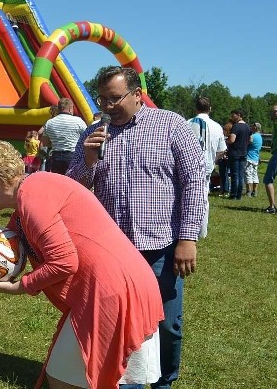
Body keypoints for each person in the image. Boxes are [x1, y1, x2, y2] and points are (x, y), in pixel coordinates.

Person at [0, 140, 164, 389]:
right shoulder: (29, 198)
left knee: (86, 380)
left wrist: (21, 286)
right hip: (117, 287)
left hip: (112, 293)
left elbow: (64, 262)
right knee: (64, 377)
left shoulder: (33, 197)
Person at [67, 66, 206, 389]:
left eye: (115, 98)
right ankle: (125, 381)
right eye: (102, 99)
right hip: (113, 250)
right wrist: (87, 161)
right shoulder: (92, 134)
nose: (107, 106)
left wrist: (187, 237)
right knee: (119, 323)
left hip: (162, 245)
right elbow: (72, 189)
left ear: (137, 95)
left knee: (167, 324)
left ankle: (164, 381)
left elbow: (193, 182)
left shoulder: (171, 125)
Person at [186, 97, 226, 238]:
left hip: (187, 165)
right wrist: (212, 160)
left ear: (195, 108)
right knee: (203, 198)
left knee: (185, 197)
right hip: (206, 167)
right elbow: (222, 150)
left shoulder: (187, 123)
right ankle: (201, 231)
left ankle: (186, 229)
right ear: (210, 109)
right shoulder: (217, 126)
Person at [39, 97, 87, 174]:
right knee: (72, 181)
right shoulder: (78, 121)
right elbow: (86, 139)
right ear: (70, 108)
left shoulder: (50, 123)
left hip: (56, 158)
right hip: (73, 156)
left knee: (59, 183)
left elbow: (45, 143)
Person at [263, 104, 277, 214]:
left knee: (268, 179)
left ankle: (272, 206)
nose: (273, 113)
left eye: (275, 111)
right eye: (272, 111)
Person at [226, 109, 250, 200]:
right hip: (243, 152)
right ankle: (239, 195)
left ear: (239, 115)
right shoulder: (247, 126)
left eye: (233, 115)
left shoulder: (236, 126)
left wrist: (225, 141)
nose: (231, 117)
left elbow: (232, 140)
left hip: (235, 152)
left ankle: (233, 195)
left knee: (234, 175)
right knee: (241, 175)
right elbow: (251, 139)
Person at [245, 122, 262, 197]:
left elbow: (248, 143)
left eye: (252, 126)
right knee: (255, 174)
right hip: (256, 157)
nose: (251, 127)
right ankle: (255, 191)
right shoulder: (260, 137)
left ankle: (248, 191)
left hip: (249, 157)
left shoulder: (252, 136)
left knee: (248, 174)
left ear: (255, 127)